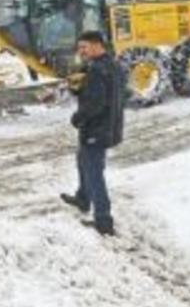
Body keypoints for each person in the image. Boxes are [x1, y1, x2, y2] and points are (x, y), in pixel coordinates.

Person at [60, 31, 125, 236]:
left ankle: (103, 221)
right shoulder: (113, 65)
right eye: (79, 47)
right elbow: (109, 94)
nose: (81, 51)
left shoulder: (97, 70)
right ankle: (83, 198)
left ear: (97, 45)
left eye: (84, 47)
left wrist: (77, 118)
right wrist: (78, 89)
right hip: (109, 126)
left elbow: (96, 103)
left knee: (94, 173)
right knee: (83, 161)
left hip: (96, 128)